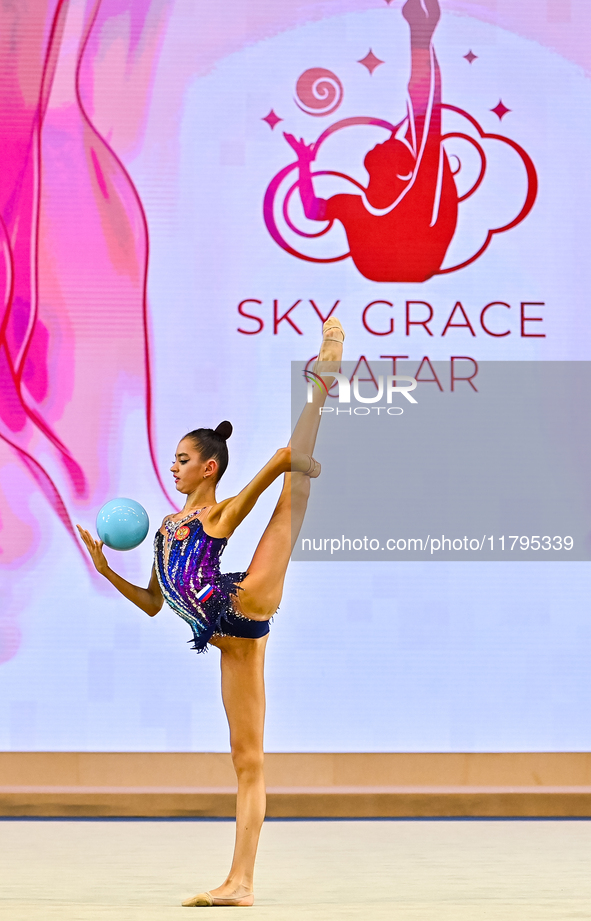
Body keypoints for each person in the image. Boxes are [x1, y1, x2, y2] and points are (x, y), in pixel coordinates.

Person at [76, 317, 345, 908]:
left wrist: (289, 464)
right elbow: (153, 604)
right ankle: (241, 884)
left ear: (208, 467)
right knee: (247, 762)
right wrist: (104, 571)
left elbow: (263, 480)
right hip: (232, 644)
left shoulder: (213, 515)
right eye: (172, 459)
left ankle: (327, 365)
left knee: (291, 499)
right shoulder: (167, 529)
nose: (172, 467)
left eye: (181, 459)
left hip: (243, 602)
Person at [284, 0, 457, 282]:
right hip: (392, 265)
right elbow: (312, 210)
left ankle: (421, 37)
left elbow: (427, 110)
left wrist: (420, 37)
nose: (381, 142)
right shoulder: (352, 204)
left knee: (426, 127)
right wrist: (304, 163)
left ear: (400, 169)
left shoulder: (416, 194)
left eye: (387, 147)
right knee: (424, 128)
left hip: (415, 261)